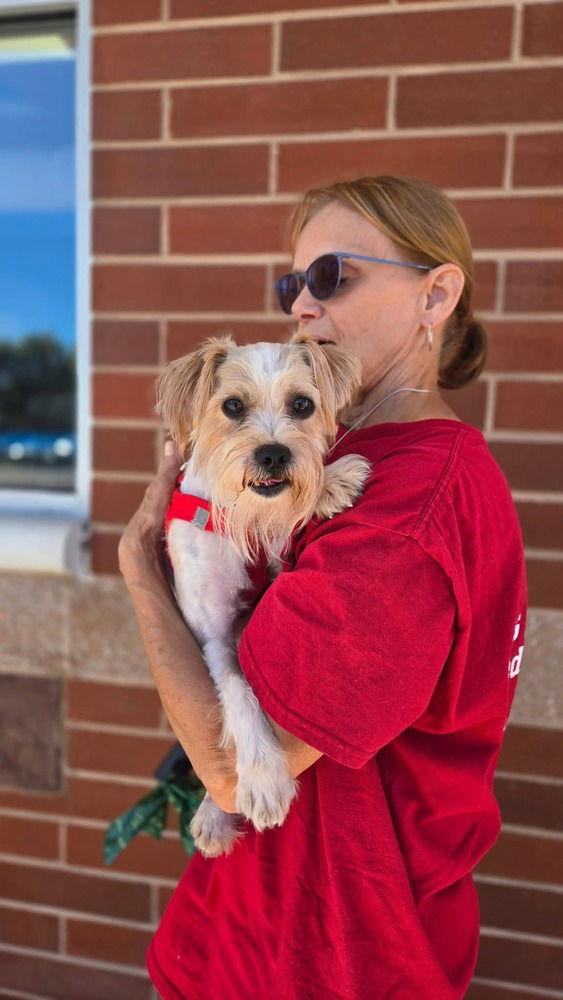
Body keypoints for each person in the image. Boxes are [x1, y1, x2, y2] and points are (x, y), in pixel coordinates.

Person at [118, 175, 527, 1000]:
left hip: (334, 957)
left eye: (332, 276)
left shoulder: (411, 506)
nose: (301, 305)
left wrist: (136, 563)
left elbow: (236, 770)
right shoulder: (332, 469)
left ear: (435, 294)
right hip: (238, 931)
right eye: (290, 284)